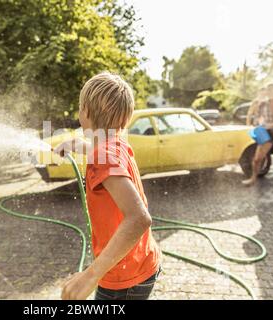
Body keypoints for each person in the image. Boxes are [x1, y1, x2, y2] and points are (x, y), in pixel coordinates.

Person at [54, 72, 161, 300]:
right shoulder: (115, 143)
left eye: (81, 106)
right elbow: (102, 152)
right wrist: (74, 144)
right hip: (139, 264)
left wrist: (90, 276)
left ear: (87, 112)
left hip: (123, 279)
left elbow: (139, 218)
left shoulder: (103, 155)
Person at [242, 83, 273, 186]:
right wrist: (258, 125)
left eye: (271, 90)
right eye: (268, 90)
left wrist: (267, 125)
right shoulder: (263, 104)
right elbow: (257, 119)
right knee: (257, 158)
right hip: (267, 133)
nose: (269, 92)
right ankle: (253, 179)